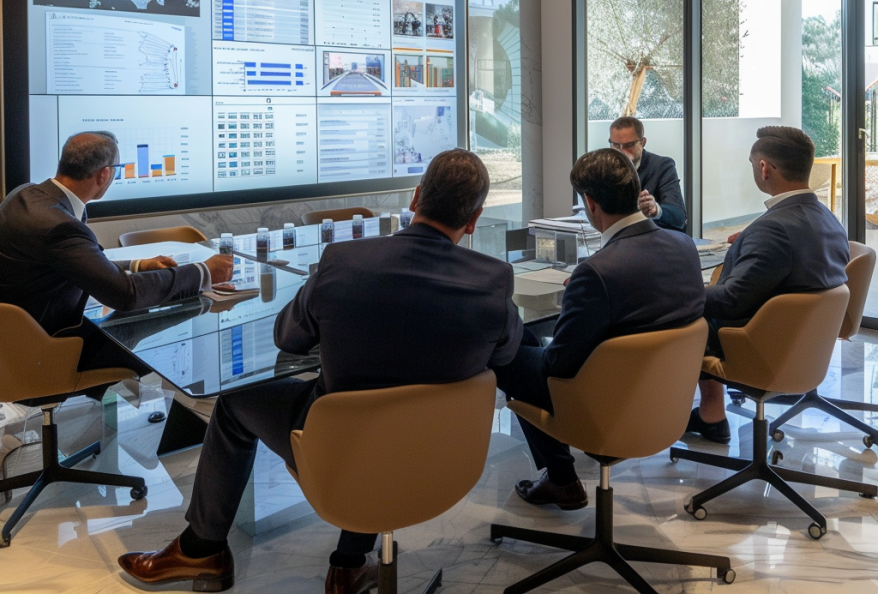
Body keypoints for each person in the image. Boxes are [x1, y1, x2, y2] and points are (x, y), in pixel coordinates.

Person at [117, 148, 522, 594]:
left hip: (340, 453)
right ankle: (348, 564)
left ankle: (202, 549)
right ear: (474, 218)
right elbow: (504, 357)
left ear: (415, 197)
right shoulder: (494, 281)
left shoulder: (344, 262)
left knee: (235, 403)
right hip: (439, 455)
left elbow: (288, 339)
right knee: (390, 401)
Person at [494, 148, 704, 510]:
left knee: (503, 352)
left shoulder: (598, 271)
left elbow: (559, 364)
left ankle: (561, 477)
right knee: (522, 339)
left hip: (604, 403)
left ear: (590, 204)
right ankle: (558, 478)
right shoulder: (684, 245)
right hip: (660, 400)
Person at [0, 131, 233, 381]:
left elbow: (72, 261)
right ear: (104, 174)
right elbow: (126, 295)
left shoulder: (26, 195)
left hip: (14, 342)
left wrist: (137, 264)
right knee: (167, 335)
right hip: (48, 350)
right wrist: (202, 272)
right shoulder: (60, 226)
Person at [687, 126, 850, 444]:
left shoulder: (773, 230)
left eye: (752, 164)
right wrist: (749, 242)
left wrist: (676, 291)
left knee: (683, 311)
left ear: (764, 168)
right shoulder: (827, 218)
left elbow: (731, 301)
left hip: (759, 349)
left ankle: (702, 414)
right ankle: (710, 414)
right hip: (804, 346)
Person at [608, 116, 686, 231]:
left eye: (628, 145)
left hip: (654, 239)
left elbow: (679, 216)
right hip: (617, 238)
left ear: (642, 142)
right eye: (616, 145)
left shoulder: (662, 167)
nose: (621, 151)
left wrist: (655, 210)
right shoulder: (605, 168)